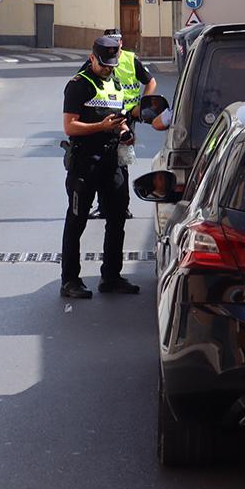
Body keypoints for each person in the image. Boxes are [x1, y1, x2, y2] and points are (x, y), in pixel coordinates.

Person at [59, 36, 141, 299]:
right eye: (104, 64)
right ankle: (70, 280)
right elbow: (70, 126)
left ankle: (111, 276)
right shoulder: (79, 85)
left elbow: (120, 119)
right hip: (85, 163)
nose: (108, 68)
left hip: (112, 160)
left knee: (117, 219)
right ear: (92, 57)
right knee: (77, 220)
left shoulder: (114, 81)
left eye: (112, 64)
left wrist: (125, 131)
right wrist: (100, 127)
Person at [90, 28, 157, 220]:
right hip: (104, 115)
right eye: (109, 42)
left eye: (116, 41)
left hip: (126, 115)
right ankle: (103, 206)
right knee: (104, 160)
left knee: (121, 161)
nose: (114, 45)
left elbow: (151, 82)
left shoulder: (130, 59)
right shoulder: (97, 59)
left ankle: (122, 206)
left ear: (121, 42)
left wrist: (143, 106)